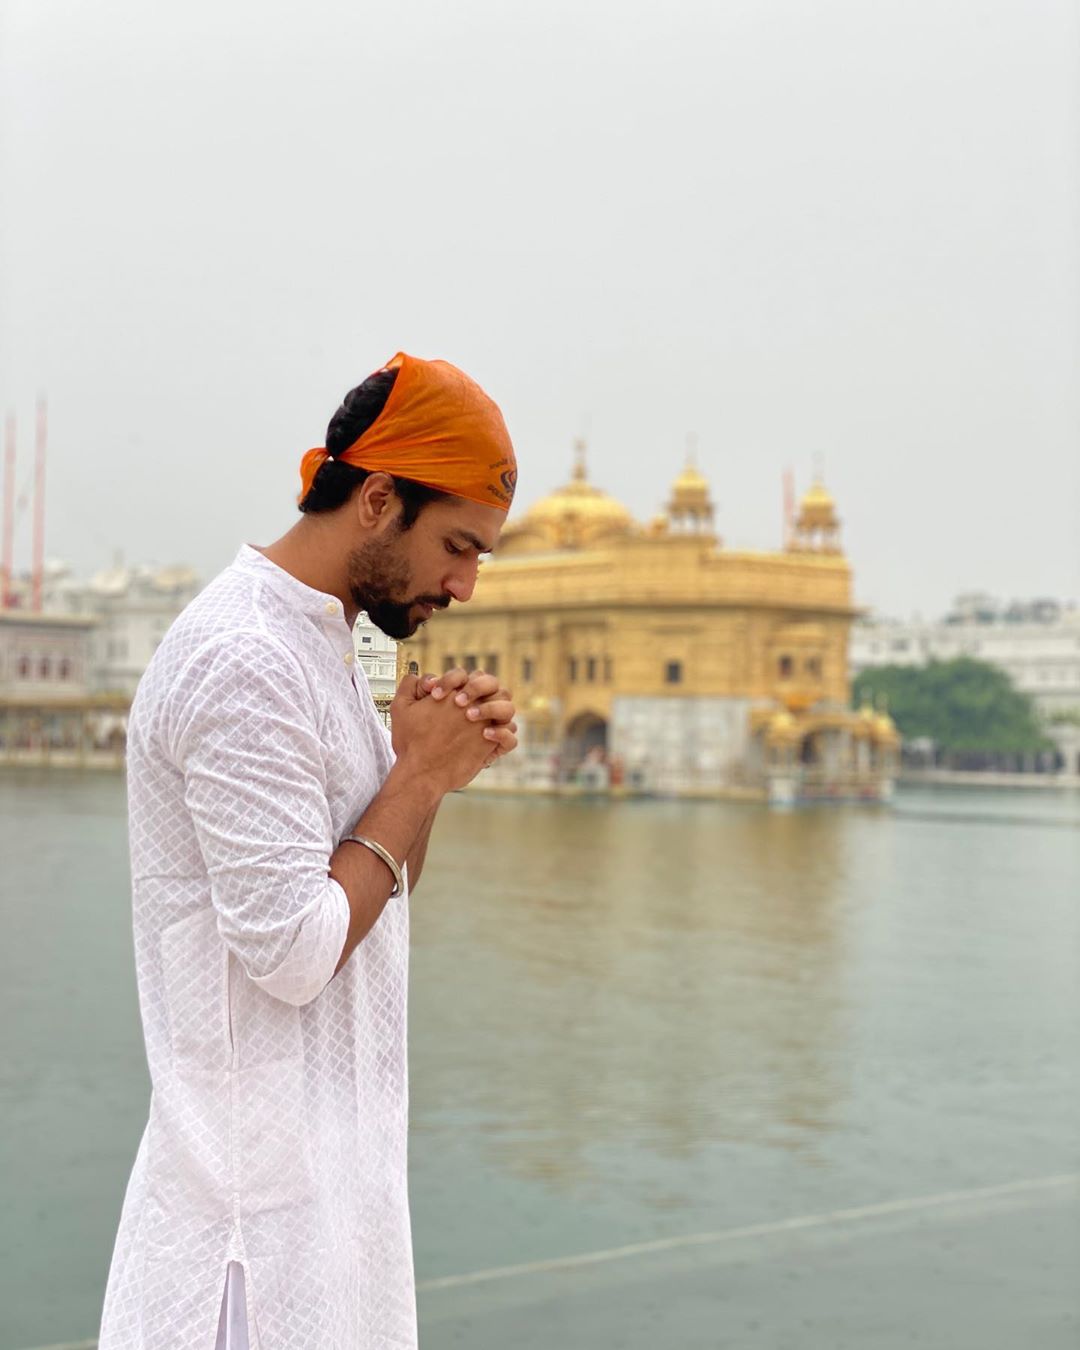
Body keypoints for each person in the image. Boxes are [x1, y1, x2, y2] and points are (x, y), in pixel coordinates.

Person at [98, 352, 519, 1350]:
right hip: (245, 1259)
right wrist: (414, 777)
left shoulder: (321, 646)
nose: (463, 585)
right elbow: (295, 952)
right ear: (379, 499)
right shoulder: (246, 659)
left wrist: (430, 770)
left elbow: (380, 888)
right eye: (457, 546)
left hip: (329, 1231)